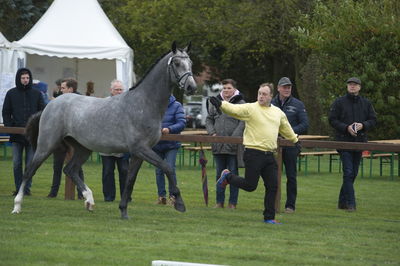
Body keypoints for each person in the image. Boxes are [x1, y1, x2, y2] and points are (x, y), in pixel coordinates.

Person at [209, 83, 300, 224]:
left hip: (269, 155)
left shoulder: (278, 113)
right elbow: (234, 110)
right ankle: (228, 177)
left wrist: (294, 140)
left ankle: (269, 218)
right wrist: (221, 104)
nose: (261, 96)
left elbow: (286, 128)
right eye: (259, 93)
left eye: (264, 94)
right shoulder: (251, 108)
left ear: (271, 96)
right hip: (253, 153)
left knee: (273, 186)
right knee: (250, 186)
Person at [328, 77, 377, 212]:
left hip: (360, 143)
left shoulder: (366, 103)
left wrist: (363, 125)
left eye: (355, 85)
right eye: (350, 84)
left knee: (353, 173)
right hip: (344, 142)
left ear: (359, 87)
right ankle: (351, 204)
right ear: (347, 87)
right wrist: (346, 127)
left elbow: (373, 119)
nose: (352, 86)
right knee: (348, 172)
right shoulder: (339, 102)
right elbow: (332, 119)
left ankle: (341, 202)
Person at [2, 68, 45, 196]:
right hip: (16, 135)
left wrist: (37, 128)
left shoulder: (37, 94)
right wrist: (10, 127)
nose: (25, 80)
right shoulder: (11, 93)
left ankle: (26, 189)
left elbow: (42, 112)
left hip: (32, 136)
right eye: (23, 78)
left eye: (27, 78)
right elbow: (6, 112)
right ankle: (18, 188)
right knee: (16, 163)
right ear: (19, 79)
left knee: (30, 164)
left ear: (30, 79)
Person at [271, 77, 308, 214]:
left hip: (291, 145)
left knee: (291, 176)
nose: (287, 89)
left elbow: (304, 125)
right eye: (284, 87)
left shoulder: (298, 104)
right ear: (278, 88)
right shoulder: (271, 103)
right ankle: (272, 203)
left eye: (289, 87)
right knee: (272, 175)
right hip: (273, 145)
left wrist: (288, 133)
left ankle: (290, 205)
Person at [206, 79, 245, 209]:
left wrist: (233, 138)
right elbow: (209, 119)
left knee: (233, 174)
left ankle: (232, 203)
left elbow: (243, 122)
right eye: (224, 88)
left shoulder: (240, 103)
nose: (226, 90)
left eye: (229, 88)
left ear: (234, 89)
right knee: (219, 174)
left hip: (233, 146)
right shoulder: (215, 102)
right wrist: (212, 133)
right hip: (218, 145)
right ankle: (219, 202)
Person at [47, 78, 85, 199]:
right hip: (60, 139)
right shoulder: (58, 100)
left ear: (70, 89)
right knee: (57, 166)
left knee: (77, 167)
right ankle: (53, 193)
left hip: (75, 139)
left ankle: (80, 193)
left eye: (63, 88)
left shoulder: (82, 101)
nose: (60, 90)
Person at [152, 94, 186, 205]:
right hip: (156, 144)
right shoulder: (154, 105)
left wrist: (169, 129)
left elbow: (182, 123)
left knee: (170, 169)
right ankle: (161, 197)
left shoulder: (176, 105)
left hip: (171, 144)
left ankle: (173, 196)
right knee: (158, 171)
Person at [99, 80, 129, 201]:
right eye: (117, 89)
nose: (119, 92)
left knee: (124, 172)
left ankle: (126, 196)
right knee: (107, 172)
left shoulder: (128, 103)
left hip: (123, 145)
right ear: (111, 91)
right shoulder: (104, 103)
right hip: (107, 145)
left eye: (121, 89)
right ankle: (109, 197)